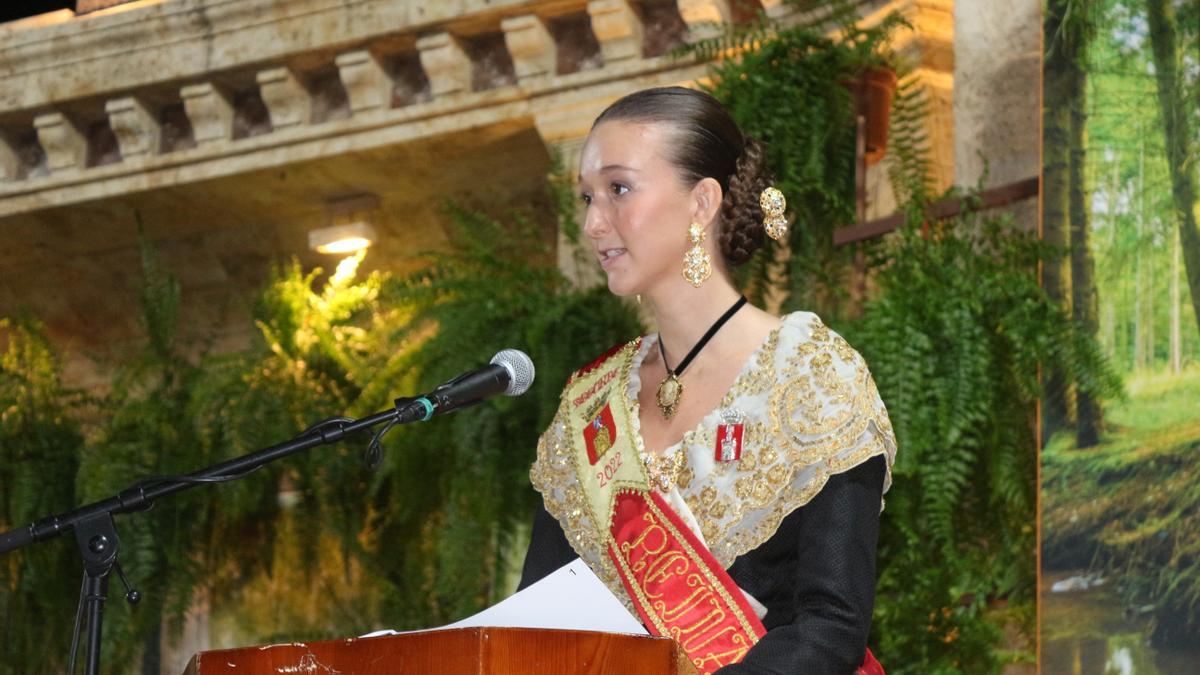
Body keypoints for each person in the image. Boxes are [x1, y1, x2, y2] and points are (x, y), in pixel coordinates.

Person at [518, 86, 896, 675]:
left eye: (619, 189)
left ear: (703, 202)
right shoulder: (589, 408)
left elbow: (831, 627)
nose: (593, 223)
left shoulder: (810, 374)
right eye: (587, 197)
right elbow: (539, 630)